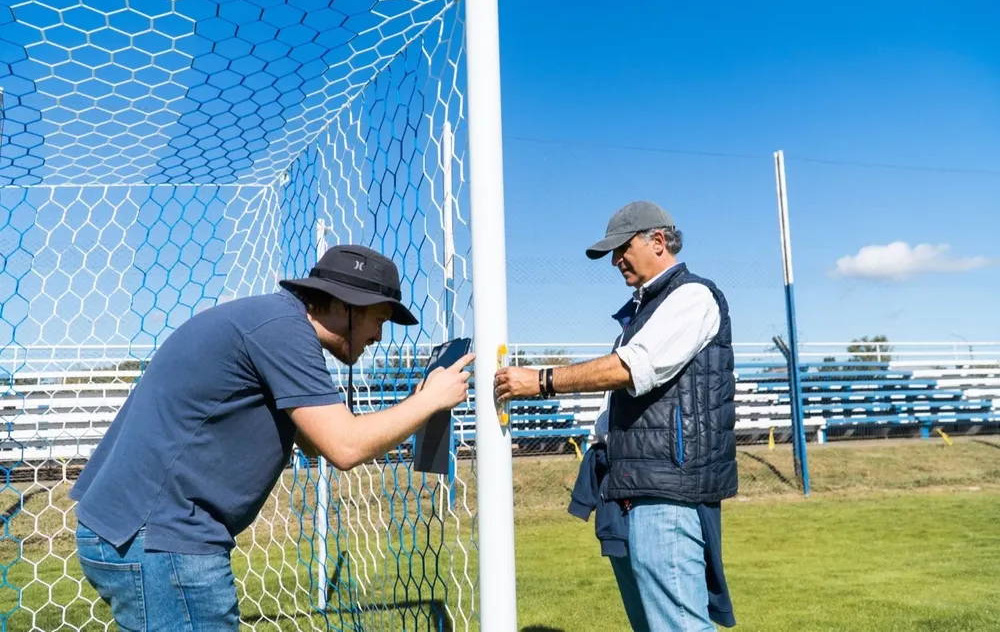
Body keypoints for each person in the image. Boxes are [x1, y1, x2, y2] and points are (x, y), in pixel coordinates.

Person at [69, 243, 474, 631]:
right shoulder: (283, 331)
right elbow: (344, 447)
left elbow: (317, 442)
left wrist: (417, 405)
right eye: (379, 320)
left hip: (139, 531)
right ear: (343, 304)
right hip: (161, 540)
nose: (379, 337)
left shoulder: (273, 322)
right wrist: (429, 403)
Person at [494, 201, 737, 631]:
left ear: (657, 241)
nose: (614, 260)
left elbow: (630, 367)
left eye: (621, 248)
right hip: (632, 489)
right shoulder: (643, 311)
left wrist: (542, 380)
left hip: (668, 495)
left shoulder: (692, 296)